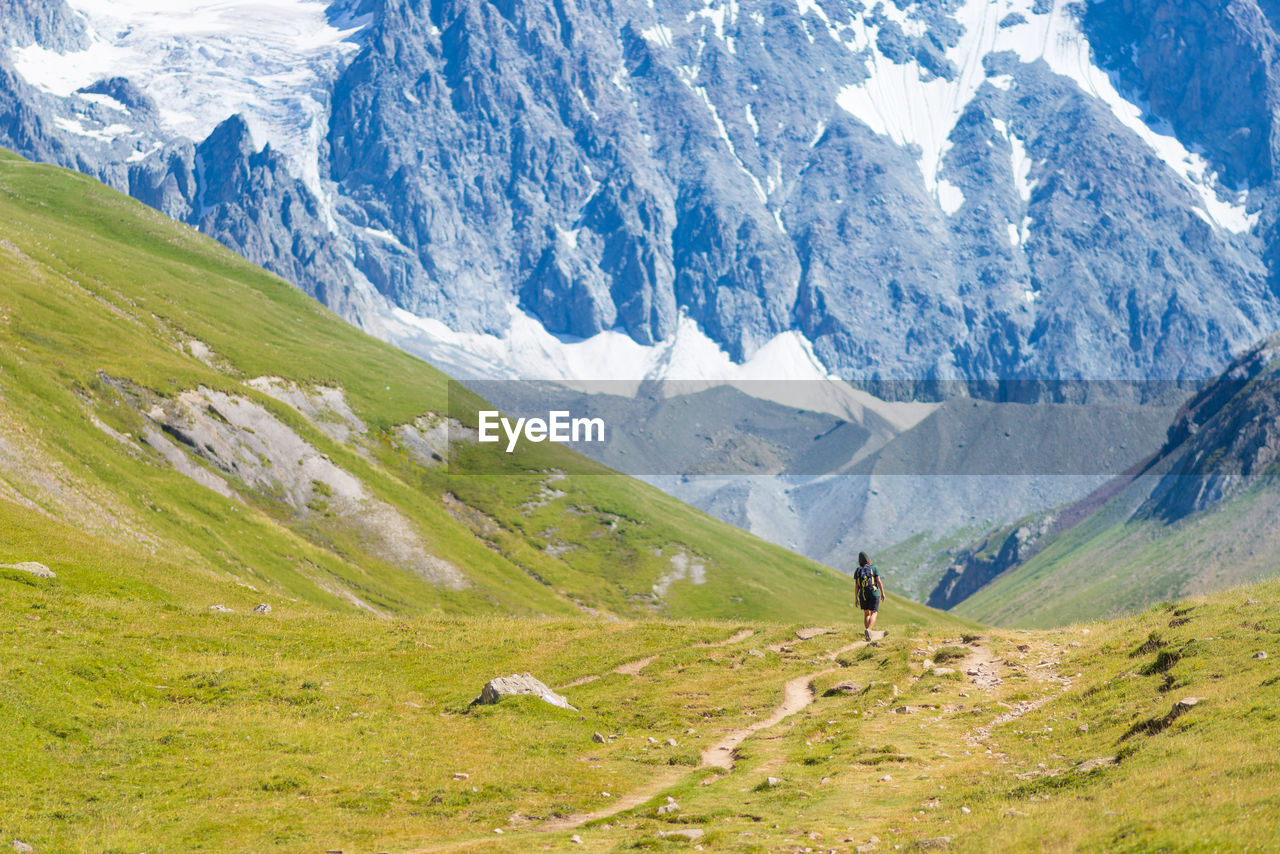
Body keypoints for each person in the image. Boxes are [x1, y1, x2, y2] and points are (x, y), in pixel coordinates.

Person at [854, 552, 887, 641]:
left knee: (866, 613)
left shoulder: (857, 571)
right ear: (868, 560)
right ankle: (869, 630)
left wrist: (856, 598)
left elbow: (857, 585)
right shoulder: (874, 568)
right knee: (874, 612)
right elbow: (879, 581)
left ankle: (868, 633)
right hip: (874, 593)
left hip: (863, 594)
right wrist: (883, 593)